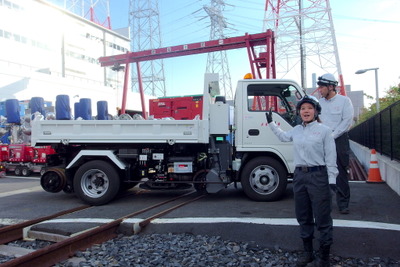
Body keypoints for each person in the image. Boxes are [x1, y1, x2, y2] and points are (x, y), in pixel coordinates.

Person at [266, 95, 338, 267]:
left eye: (309, 108)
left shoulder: (324, 131)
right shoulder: (297, 130)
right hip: (299, 176)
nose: (306, 111)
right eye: (303, 108)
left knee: (322, 218)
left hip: (318, 175)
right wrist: (271, 124)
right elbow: (283, 137)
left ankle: (324, 258)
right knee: (303, 216)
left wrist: (332, 179)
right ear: (299, 112)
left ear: (316, 111)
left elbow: (330, 156)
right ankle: (308, 254)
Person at [317, 73, 354, 215]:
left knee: (340, 173)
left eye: (322, 87)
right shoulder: (319, 104)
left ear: (331, 86)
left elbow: (346, 122)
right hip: (321, 140)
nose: (320, 89)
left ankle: (343, 204)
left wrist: (332, 136)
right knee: (320, 171)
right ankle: (323, 203)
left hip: (339, 140)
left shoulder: (345, 101)